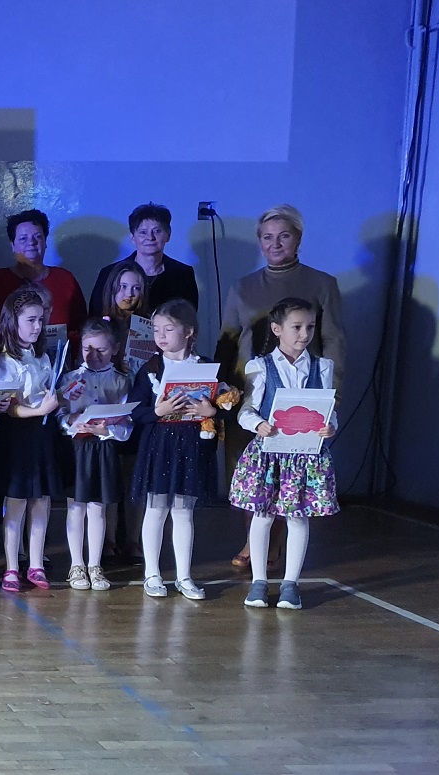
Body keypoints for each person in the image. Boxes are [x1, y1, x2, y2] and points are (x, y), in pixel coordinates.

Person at [216, 204, 346, 570]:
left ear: (298, 239)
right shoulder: (242, 287)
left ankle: (276, 545)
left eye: (284, 236)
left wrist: (331, 397)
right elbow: (227, 339)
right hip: (247, 393)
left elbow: (334, 341)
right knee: (252, 472)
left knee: (290, 472)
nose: (275, 244)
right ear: (259, 241)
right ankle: (254, 541)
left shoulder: (323, 284)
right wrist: (219, 389)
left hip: (300, 394)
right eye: (268, 237)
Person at [229, 297, 339, 611]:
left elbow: (328, 409)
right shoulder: (260, 366)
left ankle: (291, 583)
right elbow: (246, 410)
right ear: (277, 329)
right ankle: (259, 581)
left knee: (298, 516)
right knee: (263, 515)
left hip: (303, 455)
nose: (304, 334)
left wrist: (330, 425)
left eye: (310, 327)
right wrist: (258, 424)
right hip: (270, 453)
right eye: (297, 327)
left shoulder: (322, 367)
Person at [129, 299, 219, 600]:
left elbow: (222, 404)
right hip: (160, 444)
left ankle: (184, 576)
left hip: (191, 445)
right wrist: (159, 411)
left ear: (189, 331)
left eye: (168, 329)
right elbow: (135, 410)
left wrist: (210, 410)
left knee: (183, 512)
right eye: (156, 330)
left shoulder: (205, 366)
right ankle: (152, 574)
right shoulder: (151, 368)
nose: (161, 335)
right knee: (155, 509)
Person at [0, 286, 61, 593]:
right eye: (30, 320)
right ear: (13, 321)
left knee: (41, 501)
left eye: (40, 320)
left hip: (42, 435)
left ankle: (36, 563)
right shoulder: (5, 362)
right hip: (17, 436)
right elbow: (11, 408)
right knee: (16, 502)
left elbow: (48, 392)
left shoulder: (42, 357)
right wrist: (40, 409)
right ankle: (11, 565)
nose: (37, 326)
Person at [56, 320, 132, 591]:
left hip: (103, 446)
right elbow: (59, 415)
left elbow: (127, 422)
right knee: (76, 507)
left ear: (114, 349)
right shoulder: (70, 379)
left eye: (101, 350)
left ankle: (95, 565)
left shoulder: (121, 381)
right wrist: (70, 420)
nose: (93, 355)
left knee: (98, 508)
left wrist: (107, 429)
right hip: (77, 448)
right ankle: (76, 564)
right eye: (88, 349)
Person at [0, 210, 87, 349]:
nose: (32, 243)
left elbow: (82, 326)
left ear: (45, 242)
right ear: (12, 245)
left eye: (38, 237)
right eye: (23, 238)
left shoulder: (65, 279)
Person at [86, 204, 199, 317]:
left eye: (157, 231)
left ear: (168, 235)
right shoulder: (109, 273)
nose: (150, 237)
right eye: (143, 232)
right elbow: (95, 317)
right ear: (132, 237)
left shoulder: (183, 274)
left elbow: (188, 317)